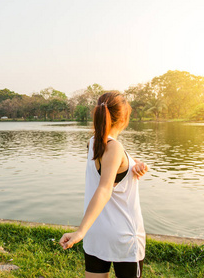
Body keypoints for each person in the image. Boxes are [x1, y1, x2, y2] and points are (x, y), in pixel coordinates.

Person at [59, 91, 148, 278]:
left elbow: (116, 162)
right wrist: (80, 231)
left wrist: (135, 164)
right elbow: (105, 188)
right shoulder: (115, 148)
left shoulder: (93, 143)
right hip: (123, 235)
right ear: (124, 119)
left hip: (97, 232)